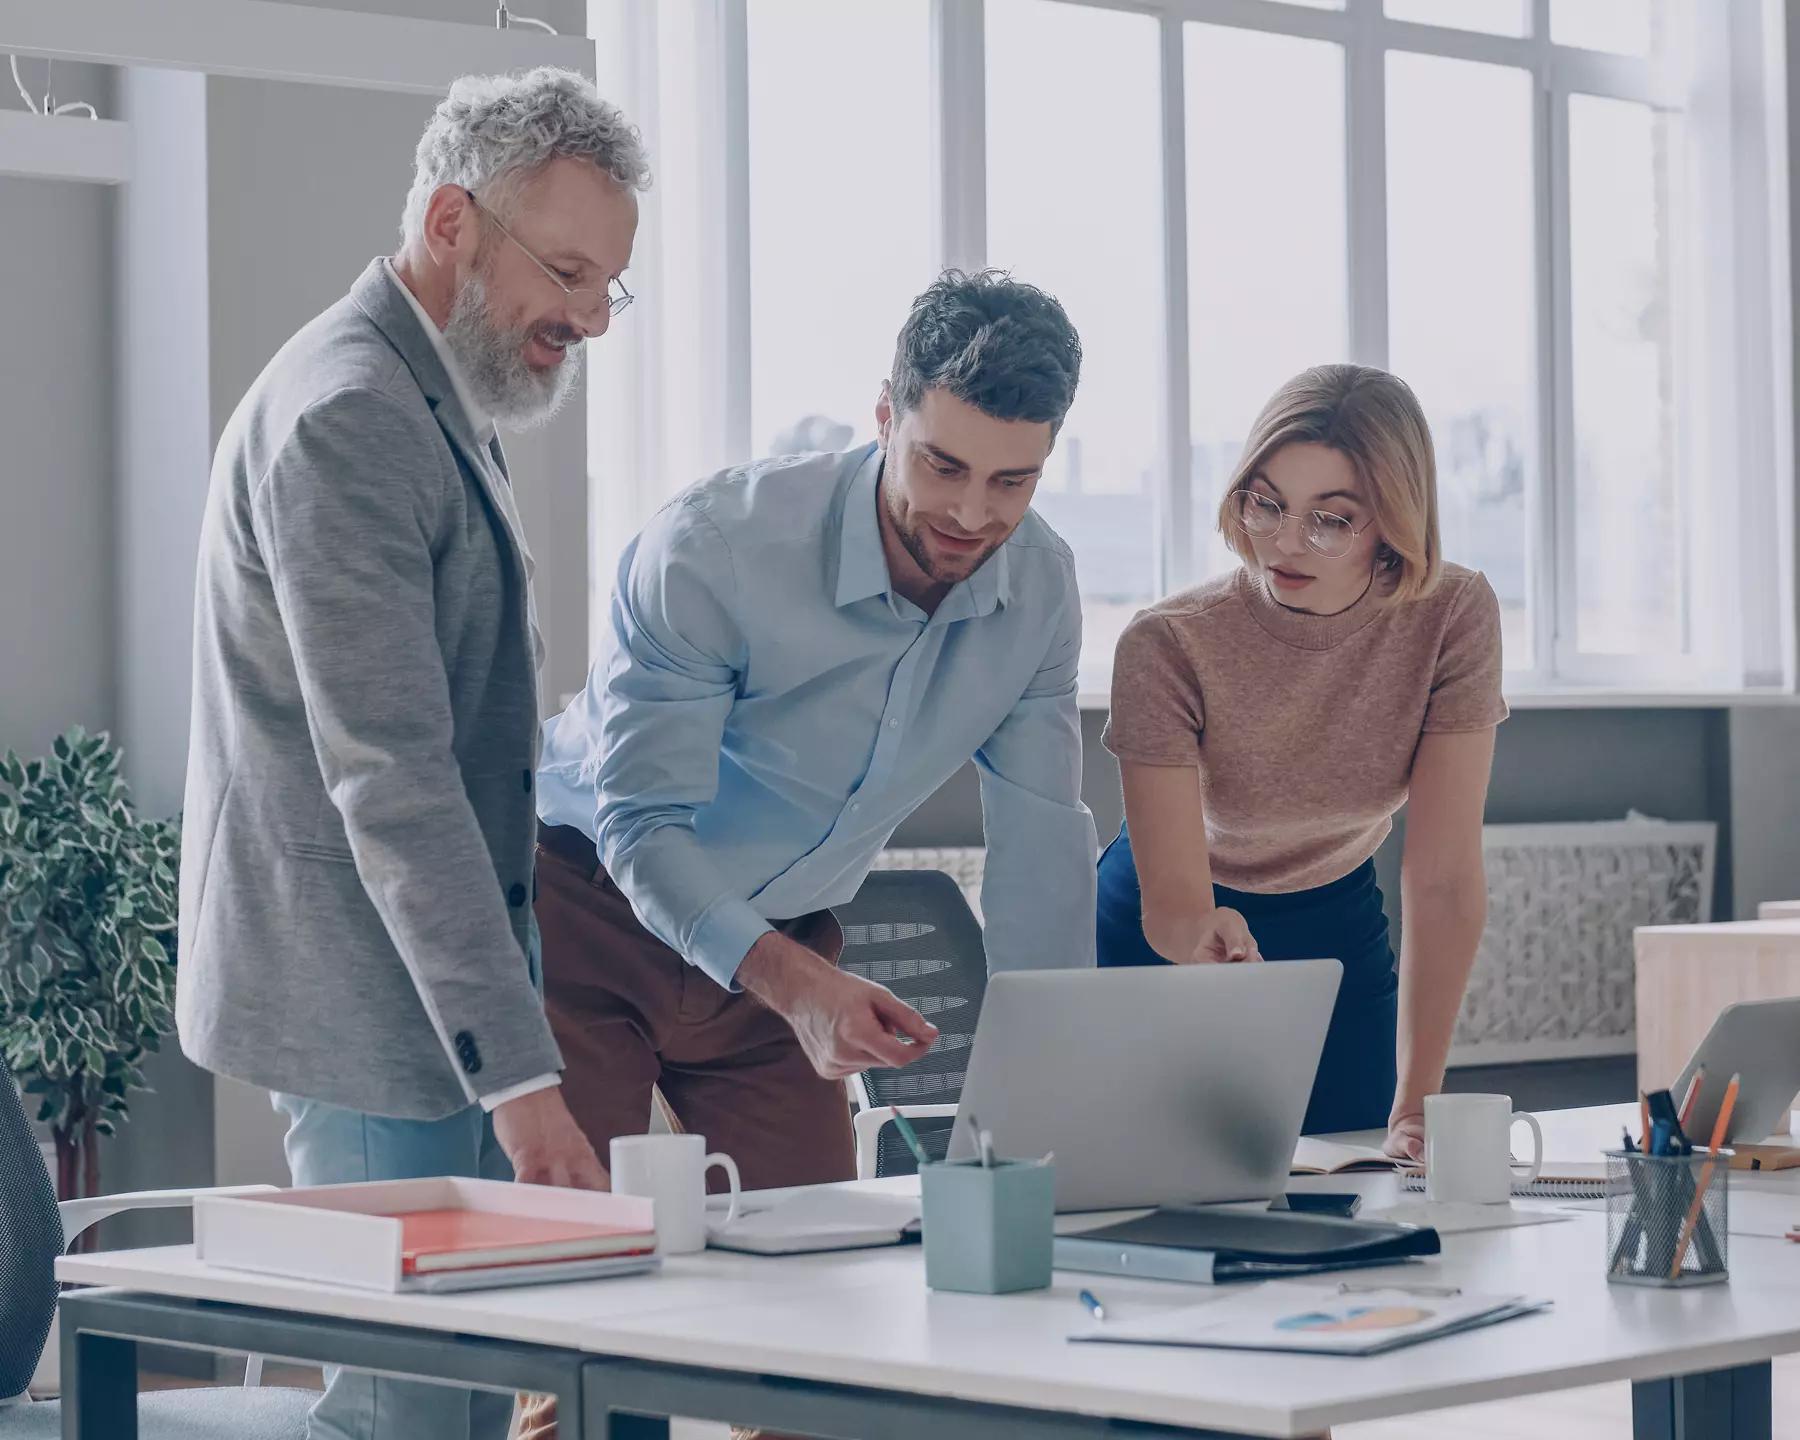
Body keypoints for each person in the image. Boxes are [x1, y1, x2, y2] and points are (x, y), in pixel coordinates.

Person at [514, 269, 1098, 1440]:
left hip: (786, 953)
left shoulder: (1038, 589)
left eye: (1012, 481)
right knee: (582, 1330)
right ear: (885, 414)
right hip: (585, 918)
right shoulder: (714, 552)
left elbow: (1040, 844)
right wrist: (794, 983)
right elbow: (642, 828)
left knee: (813, 1348)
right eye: (942, 465)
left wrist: (1056, 1100)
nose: (972, 518)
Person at [176, 68, 648, 1440]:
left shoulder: (429, 390)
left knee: (425, 1398)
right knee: (412, 1414)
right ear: (453, 222)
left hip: (409, 987)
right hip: (371, 1006)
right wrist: (522, 1075)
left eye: (611, 286)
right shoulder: (355, 414)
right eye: (566, 272)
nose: (587, 318)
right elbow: (392, 772)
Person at [1096, 364, 1506, 1159]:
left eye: (1331, 519)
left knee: (1359, 1177)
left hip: (1335, 911)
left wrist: (1420, 1103)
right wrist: (1198, 934)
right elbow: (1174, 901)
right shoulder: (1167, 642)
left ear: (1392, 520)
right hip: (1180, 909)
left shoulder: (1453, 614)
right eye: (1268, 503)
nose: (1284, 541)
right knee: (1179, 1178)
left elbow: (1445, 876)